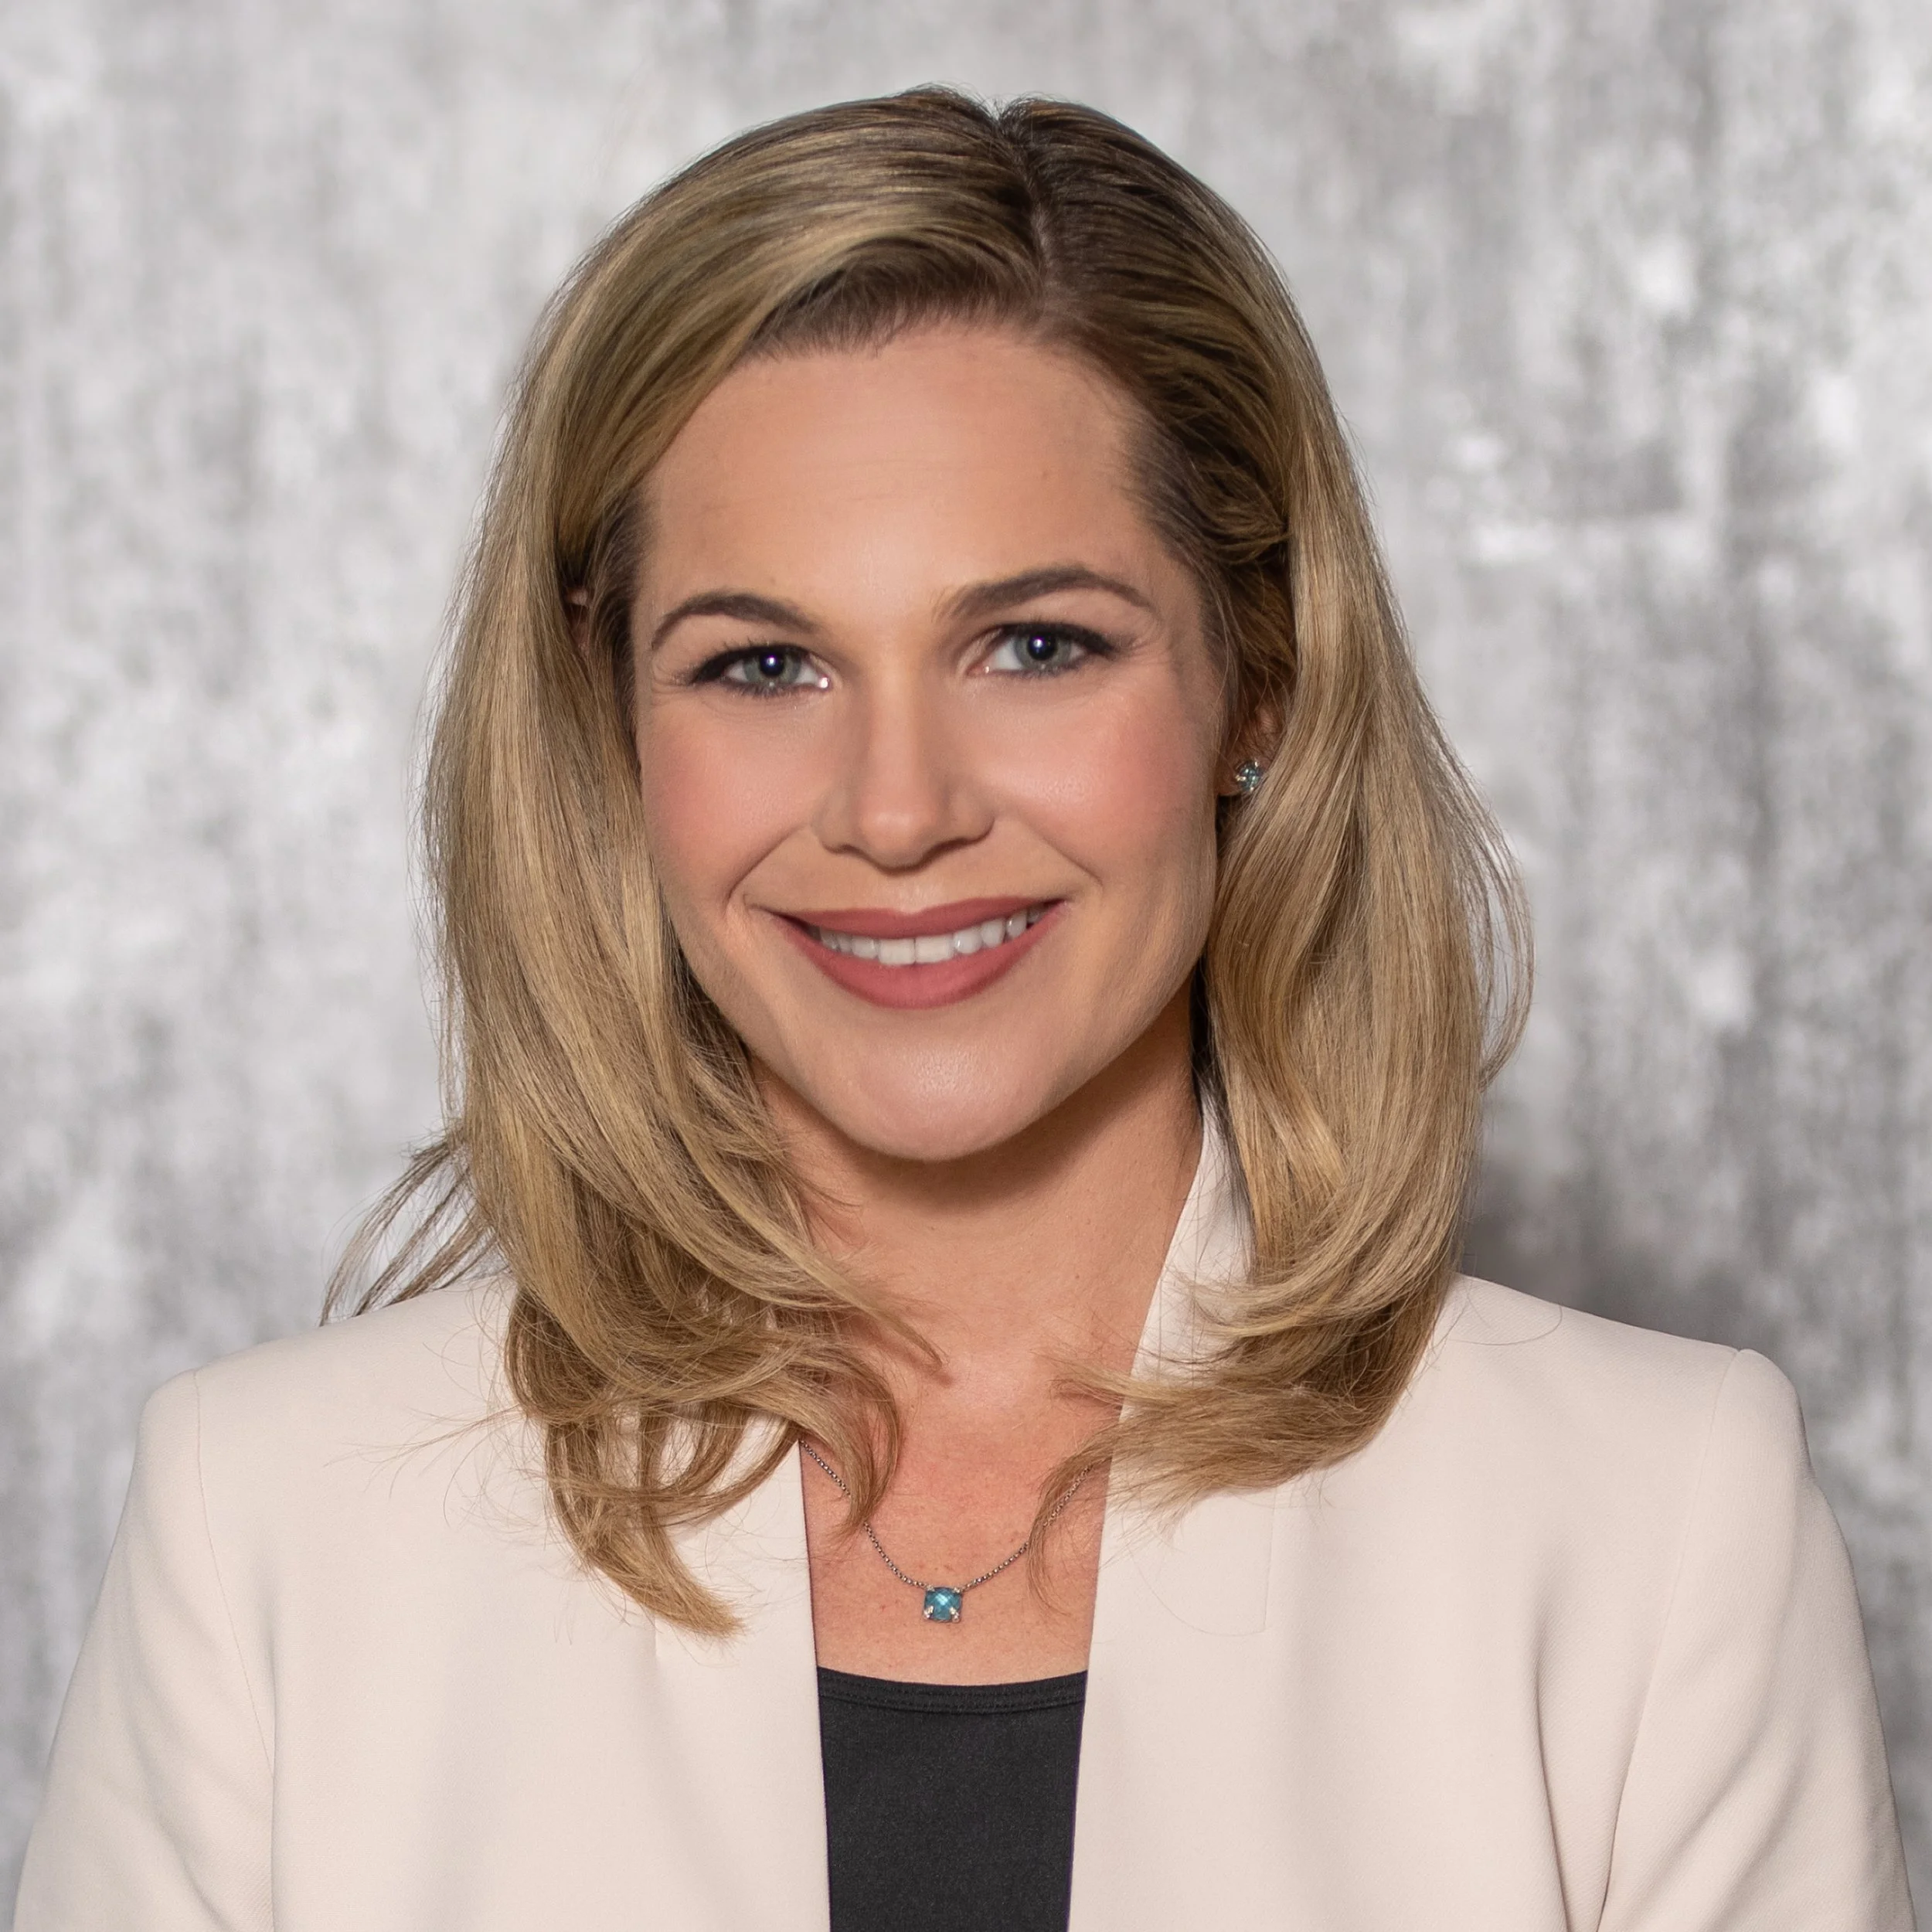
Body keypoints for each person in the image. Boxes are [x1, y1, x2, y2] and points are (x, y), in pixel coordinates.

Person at [13, 88, 1912, 1932]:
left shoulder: (1652, 1527)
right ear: (611, 724)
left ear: (1257, 680)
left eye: (1033, 645)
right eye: (762, 661)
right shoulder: (266, 1531)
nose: (898, 807)